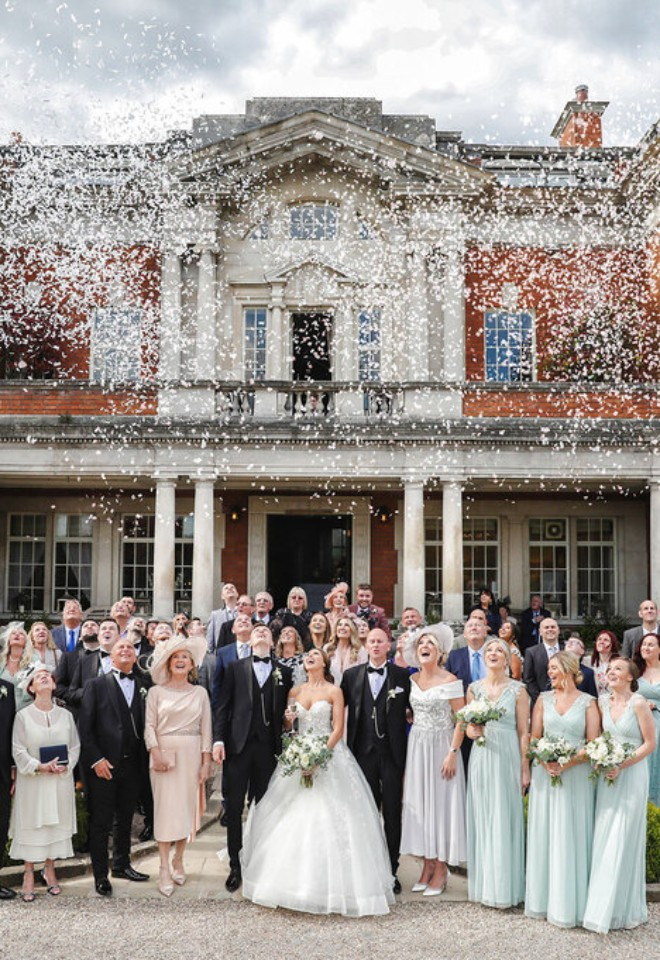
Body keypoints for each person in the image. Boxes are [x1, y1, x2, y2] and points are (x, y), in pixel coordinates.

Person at [241, 647, 395, 916]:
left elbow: (337, 728)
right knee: (289, 814)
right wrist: (288, 723)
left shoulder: (334, 691)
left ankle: (334, 887)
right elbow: (290, 727)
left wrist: (321, 754)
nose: (309, 657)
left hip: (328, 754)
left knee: (333, 814)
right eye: (306, 655)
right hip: (299, 753)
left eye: (315, 654)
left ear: (324, 662)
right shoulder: (294, 691)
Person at [212, 625, 293, 893]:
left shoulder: (286, 672)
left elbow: (287, 712)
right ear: (250, 640)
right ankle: (235, 863)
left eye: (265, 632)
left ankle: (262, 859)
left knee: (265, 807)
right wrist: (219, 739)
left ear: (272, 641)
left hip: (268, 750)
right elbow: (223, 705)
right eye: (256, 631)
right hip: (238, 747)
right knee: (233, 807)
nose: (260, 634)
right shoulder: (235, 667)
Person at [525, 651, 600, 928]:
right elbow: (534, 739)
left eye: (554, 668)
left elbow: (593, 744)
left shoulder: (589, 703)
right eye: (549, 669)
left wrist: (568, 763)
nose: (550, 673)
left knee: (571, 833)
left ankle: (571, 903)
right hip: (546, 775)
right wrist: (544, 761)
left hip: (576, 776)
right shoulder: (543, 700)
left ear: (569, 669)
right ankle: (544, 900)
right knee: (546, 832)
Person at [583, 658, 656, 933]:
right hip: (607, 777)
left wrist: (621, 764)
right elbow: (599, 738)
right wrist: (602, 761)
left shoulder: (639, 703)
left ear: (630, 677)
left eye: (618, 670)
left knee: (624, 837)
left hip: (632, 775)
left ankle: (623, 908)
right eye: (610, 669)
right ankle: (601, 905)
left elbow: (650, 744)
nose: (612, 673)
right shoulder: (601, 702)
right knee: (604, 835)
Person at [78, 636, 150, 896]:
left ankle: (122, 864)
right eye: (121, 647)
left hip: (133, 765)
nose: (126, 650)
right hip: (104, 765)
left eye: (130, 647)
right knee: (101, 822)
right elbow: (84, 729)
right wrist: (96, 760)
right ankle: (100, 875)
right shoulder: (96, 685)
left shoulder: (144, 685)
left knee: (126, 819)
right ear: (110, 656)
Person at [342, 628, 411, 894]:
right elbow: (337, 707)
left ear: (389, 645)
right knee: (367, 814)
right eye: (371, 641)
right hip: (362, 754)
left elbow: (415, 708)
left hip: (393, 755)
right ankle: (368, 868)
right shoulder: (351, 676)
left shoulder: (403, 676)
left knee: (392, 813)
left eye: (380, 641)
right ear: (365, 645)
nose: (376, 645)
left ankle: (391, 870)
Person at [400, 627, 466, 896]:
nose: (425, 646)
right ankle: (426, 866)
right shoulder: (412, 680)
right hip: (417, 746)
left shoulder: (451, 680)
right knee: (422, 805)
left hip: (442, 747)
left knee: (440, 806)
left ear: (440, 652)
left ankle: (441, 869)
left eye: (430, 643)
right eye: (421, 643)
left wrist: (452, 752)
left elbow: (461, 718)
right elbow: (410, 710)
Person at [465, 637, 530, 909]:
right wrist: (472, 731)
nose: (493, 653)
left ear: (507, 659)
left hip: (507, 756)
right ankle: (485, 886)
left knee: (504, 816)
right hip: (481, 756)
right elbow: (467, 727)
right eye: (489, 650)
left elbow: (524, 731)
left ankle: (506, 888)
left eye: (499, 651)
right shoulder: (473, 689)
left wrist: (525, 768)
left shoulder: (519, 690)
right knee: (483, 815)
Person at [145, 633, 211, 896]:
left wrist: (206, 762)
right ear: (168, 664)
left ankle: (179, 859)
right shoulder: (155, 692)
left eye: (185, 657)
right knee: (165, 811)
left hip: (192, 755)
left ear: (192, 665)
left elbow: (207, 729)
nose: (181, 661)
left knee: (186, 810)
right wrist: (155, 751)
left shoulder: (201, 693)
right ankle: (163, 867)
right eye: (176, 657)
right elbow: (149, 725)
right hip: (163, 755)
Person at [9, 664, 80, 902]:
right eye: (39, 677)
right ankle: (28, 872)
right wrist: (39, 766)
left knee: (54, 823)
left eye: (48, 676)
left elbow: (75, 746)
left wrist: (65, 766)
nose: (45, 678)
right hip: (34, 781)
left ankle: (50, 869)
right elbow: (18, 750)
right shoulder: (22, 716)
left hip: (59, 779)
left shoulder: (67, 715)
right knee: (33, 824)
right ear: (31, 687)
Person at [446, 616, 489, 771]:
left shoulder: (493, 654)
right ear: (464, 634)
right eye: (470, 625)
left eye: (478, 625)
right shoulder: (454, 656)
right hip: (462, 724)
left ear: (486, 632)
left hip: (491, 723)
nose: (474, 628)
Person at [634, 633, 660, 805]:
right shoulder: (634, 671)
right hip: (639, 726)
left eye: (651, 644)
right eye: (644, 644)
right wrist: (640, 703)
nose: (646, 648)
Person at [0, 673, 16, 899]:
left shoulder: (7, 689)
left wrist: (13, 767)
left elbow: (12, 729)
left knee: (0, 825)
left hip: (1, 771)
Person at [523, 617, 563, 706]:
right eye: (546, 627)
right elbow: (528, 679)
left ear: (558, 630)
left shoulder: (566, 650)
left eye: (553, 627)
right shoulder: (531, 652)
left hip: (565, 701)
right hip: (540, 702)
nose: (550, 629)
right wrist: (542, 699)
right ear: (540, 632)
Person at [0, 624, 36, 711]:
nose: (17, 635)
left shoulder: (34, 660)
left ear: (25, 642)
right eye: (13, 633)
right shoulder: (0, 660)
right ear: (8, 640)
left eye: (21, 634)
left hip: (25, 709)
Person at [326, 615, 367, 685]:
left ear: (352, 630)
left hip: (353, 690)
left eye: (346, 625)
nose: (342, 627)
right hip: (331, 690)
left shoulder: (360, 650)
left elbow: (363, 675)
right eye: (339, 625)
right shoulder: (327, 648)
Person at [206, 582, 240, 653]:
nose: (230, 589)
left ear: (237, 594)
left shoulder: (244, 613)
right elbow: (210, 639)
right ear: (222, 596)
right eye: (226, 588)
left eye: (232, 587)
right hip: (221, 654)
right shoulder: (215, 615)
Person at [585, 629, 619, 696]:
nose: (601, 642)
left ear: (612, 644)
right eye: (599, 639)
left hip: (613, 699)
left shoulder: (619, 663)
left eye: (606, 640)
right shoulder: (586, 661)